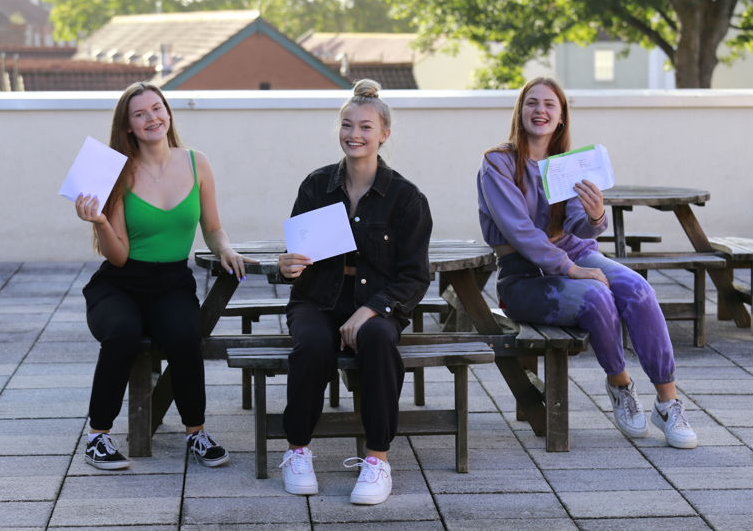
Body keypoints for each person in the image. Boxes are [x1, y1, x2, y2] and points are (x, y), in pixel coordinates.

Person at [476, 77, 697, 449]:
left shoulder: (568, 164)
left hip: (575, 251)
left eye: (550, 105)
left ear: (561, 116)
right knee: (596, 297)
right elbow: (517, 230)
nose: (540, 110)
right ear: (520, 111)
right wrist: (569, 268)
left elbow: (580, 225)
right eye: (532, 103)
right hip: (523, 276)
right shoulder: (497, 164)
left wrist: (596, 216)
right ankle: (620, 383)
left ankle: (668, 401)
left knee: (638, 288)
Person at [74, 81, 257, 470]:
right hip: (120, 283)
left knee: (183, 334)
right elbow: (119, 257)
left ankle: (197, 432)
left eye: (157, 108)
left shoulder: (196, 162)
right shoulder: (116, 172)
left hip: (172, 281)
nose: (151, 118)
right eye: (139, 114)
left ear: (168, 112)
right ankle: (98, 437)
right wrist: (102, 222)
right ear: (128, 126)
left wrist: (225, 248)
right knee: (122, 333)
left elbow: (213, 226)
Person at [276, 79, 433, 504]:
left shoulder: (406, 198)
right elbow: (295, 257)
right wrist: (286, 264)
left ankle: (377, 460)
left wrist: (371, 310)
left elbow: (415, 276)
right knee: (311, 344)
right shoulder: (316, 186)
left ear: (384, 134)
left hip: (376, 304)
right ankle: (298, 452)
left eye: (365, 127)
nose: (354, 135)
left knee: (380, 341)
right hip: (317, 298)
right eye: (347, 125)